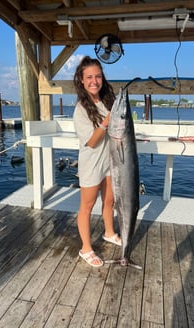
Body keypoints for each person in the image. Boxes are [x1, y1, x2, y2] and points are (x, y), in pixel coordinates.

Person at [73, 56, 121, 267]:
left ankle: (109, 233)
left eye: (98, 76)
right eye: (89, 77)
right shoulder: (80, 110)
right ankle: (86, 248)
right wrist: (106, 122)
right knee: (87, 206)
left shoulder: (108, 101)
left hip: (110, 161)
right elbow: (91, 142)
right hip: (92, 164)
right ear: (81, 81)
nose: (94, 81)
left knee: (109, 201)